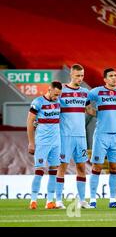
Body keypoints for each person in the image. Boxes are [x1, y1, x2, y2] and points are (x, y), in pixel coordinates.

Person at [55, 64, 95, 209]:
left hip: (80, 136)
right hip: (65, 135)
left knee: (81, 167)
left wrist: (107, 113)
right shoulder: (62, 91)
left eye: (82, 76)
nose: (80, 78)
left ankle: (82, 200)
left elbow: (90, 110)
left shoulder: (85, 92)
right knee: (62, 167)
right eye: (77, 75)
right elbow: (53, 109)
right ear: (71, 75)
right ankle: (58, 200)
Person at [87, 68, 116, 208]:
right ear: (105, 79)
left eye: (115, 75)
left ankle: (113, 200)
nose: (114, 78)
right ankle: (92, 200)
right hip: (101, 135)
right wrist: (94, 113)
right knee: (97, 167)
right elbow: (85, 102)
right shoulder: (96, 91)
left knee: (115, 168)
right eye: (111, 76)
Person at [27, 81, 63, 209]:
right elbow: (30, 122)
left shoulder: (59, 101)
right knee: (39, 171)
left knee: (54, 171)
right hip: (42, 142)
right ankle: (33, 200)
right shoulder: (38, 102)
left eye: (59, 94)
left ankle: (49, 201)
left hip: (56, 142)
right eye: (55, 94)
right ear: (49, 89)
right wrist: (31, 142)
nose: (56, 97)